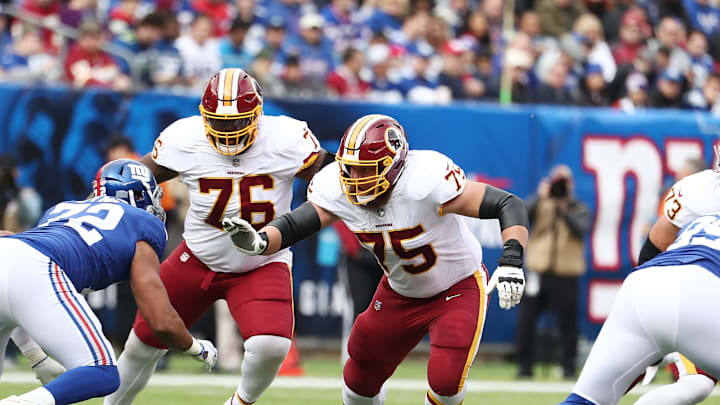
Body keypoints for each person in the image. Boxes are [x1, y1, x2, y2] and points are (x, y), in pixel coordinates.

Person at [222, 113, 529, 405]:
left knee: (446, 380)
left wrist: (512, 259)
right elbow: (298, 223)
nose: (355, 178)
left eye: (366, 169)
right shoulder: (337, 188)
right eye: (350, 168)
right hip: (400, 291)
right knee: (359, 372)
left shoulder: (426, 180)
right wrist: (262, 241)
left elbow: (507, 203)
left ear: (394, 165)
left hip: (457, 287)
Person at [104, 67, 332, 405]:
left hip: (262, 261)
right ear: (204, 116)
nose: (229, 129)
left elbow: (332, 181)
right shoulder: (185, 138)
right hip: (196, 257)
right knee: (143, 342)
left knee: (271, 345)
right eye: (220, 121)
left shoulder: (286, 138)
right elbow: (138, 175)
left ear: (257, 115)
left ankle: (239, 402)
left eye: (238, 120)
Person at [0, 159, 217, 405]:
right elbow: (160, 319)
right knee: (102, 373)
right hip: (35, 266)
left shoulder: (62, 208)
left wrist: (37, 358)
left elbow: (12, 289)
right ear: (139, 195)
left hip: (10, 251)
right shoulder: (143, 223)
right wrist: (196, 347)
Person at [556, 212, 720, 405]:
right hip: (702, 288)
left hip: (643, 283)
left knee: (587, 399)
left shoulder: (703, 213)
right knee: (695, 383)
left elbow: (655, 240)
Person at [515, 164, 590, 379]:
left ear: (571, 185)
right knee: (526, 321)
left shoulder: (578, 207)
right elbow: (522, 215)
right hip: (538, 272)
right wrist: (540, 198)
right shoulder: (541, 205)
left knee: (568, 325)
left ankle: (568, 367)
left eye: (563, 183)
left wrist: (563, 207)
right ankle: (524, 367)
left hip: (566, 275)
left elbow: (581, 229)